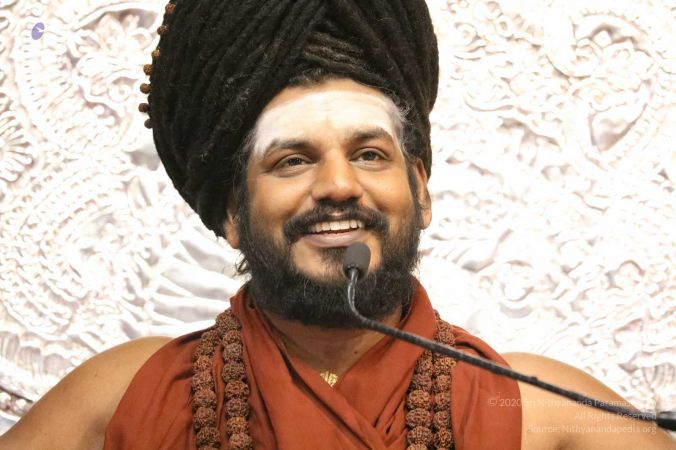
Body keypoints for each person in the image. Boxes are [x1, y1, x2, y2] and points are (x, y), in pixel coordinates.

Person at [1, 1, 673, 449]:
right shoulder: (120, 398)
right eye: (292, 160)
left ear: (420, 192)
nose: (339, 185)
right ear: (232, 215)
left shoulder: (538, 412)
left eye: (369, 154)